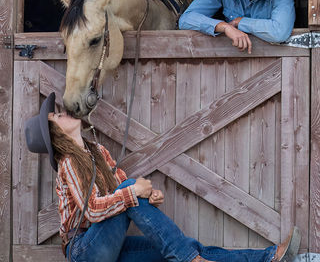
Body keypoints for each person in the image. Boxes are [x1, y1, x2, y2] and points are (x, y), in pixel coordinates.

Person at [24, 92, 301, 262]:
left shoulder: (97, 150)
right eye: (57, 115)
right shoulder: (69, 162)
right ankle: (189, 260)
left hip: (108, 245)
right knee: (133, 191)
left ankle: (269, 257)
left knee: (183, 249)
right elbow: (95, 211)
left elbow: (119, 185)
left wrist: (146, 197)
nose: (64, 112)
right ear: (56, 135)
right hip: (84, 251)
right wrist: (135, 192)